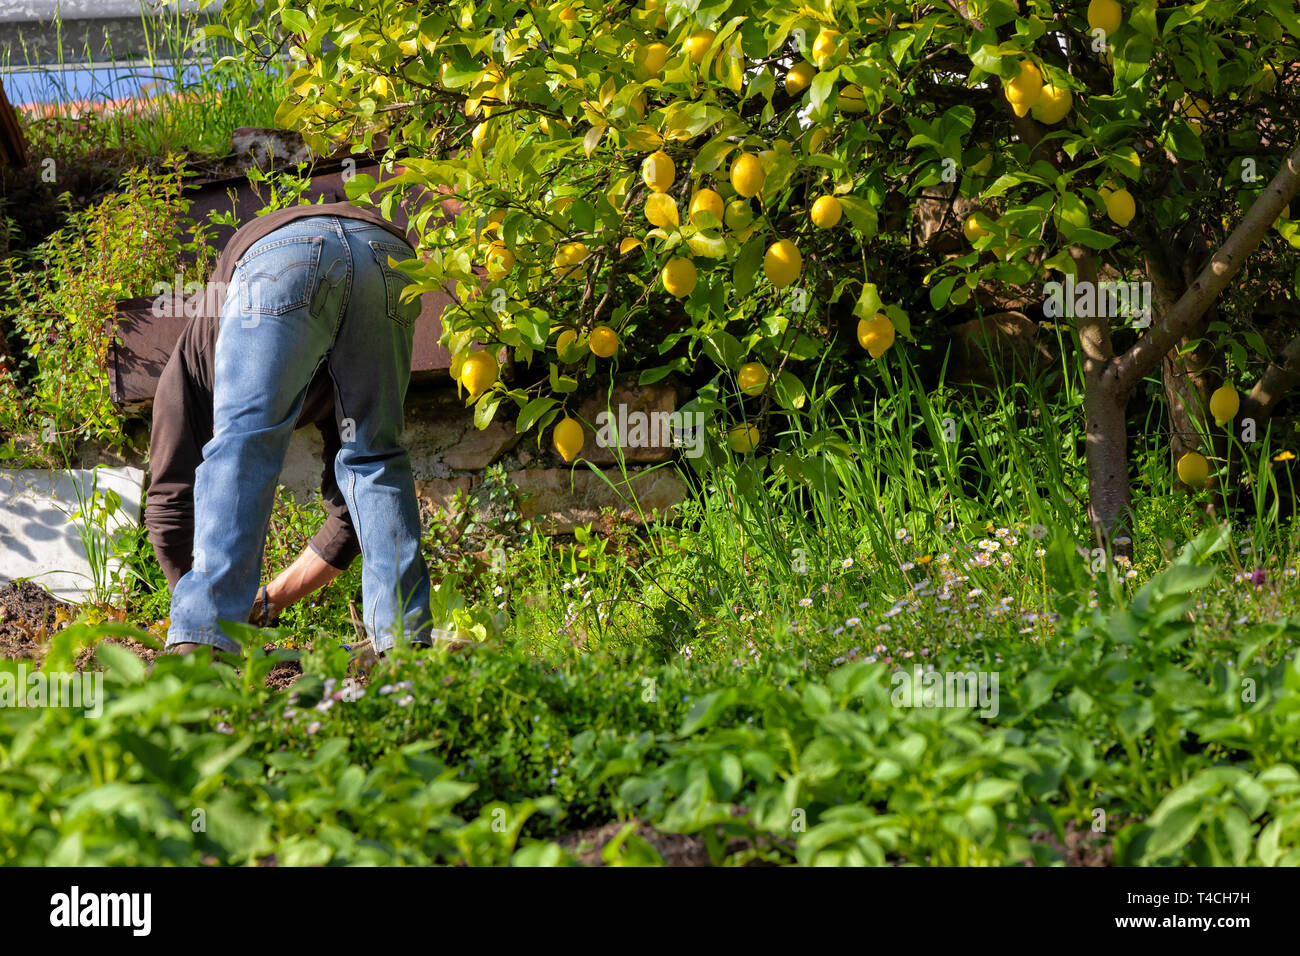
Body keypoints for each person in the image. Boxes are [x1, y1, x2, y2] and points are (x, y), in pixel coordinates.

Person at [145, 201, 433, 658]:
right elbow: (353, 515)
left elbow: (169, 504)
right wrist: (264, 603)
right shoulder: (315, 362)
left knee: (244, 443)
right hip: (387, 257)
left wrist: (199, 610)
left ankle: (200, 650)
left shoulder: (187, 375)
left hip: (283, 257)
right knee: (375, 458)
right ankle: (405, 653)